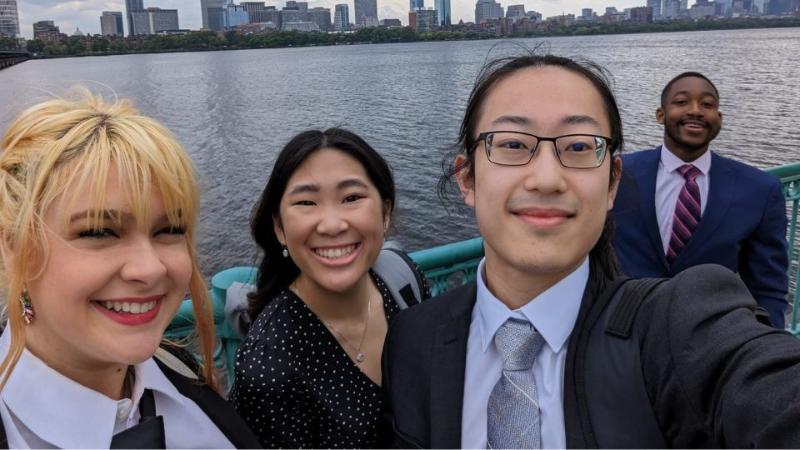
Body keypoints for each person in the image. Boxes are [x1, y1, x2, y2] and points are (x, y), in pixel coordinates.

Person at [381, 53, 800, 448]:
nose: (546, 179)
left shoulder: (678, 327)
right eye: (511, 144)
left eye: (579, 147)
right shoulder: (412, 338)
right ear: (467, 179)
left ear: (613, 182)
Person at [0, 91, 260, 448]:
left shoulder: (180, 372)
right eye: (98, 232)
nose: (150, 269)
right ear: (14, 248)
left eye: (169, 230)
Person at [229, 128, 428, 448]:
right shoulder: (269, 364)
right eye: (307, 202)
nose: (332, 224)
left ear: (385, 212)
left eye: (352, 198)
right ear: (279, 227)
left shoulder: (403, 280)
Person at [612, 71, 789, 328]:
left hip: (710, 338)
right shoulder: (617, 173)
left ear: (719, 118)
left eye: (707, 105)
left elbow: (768, 284)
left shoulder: (759, 190)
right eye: (681, 102)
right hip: (621, 328)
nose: (696, 110)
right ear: (660, 115)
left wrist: (768, 350)